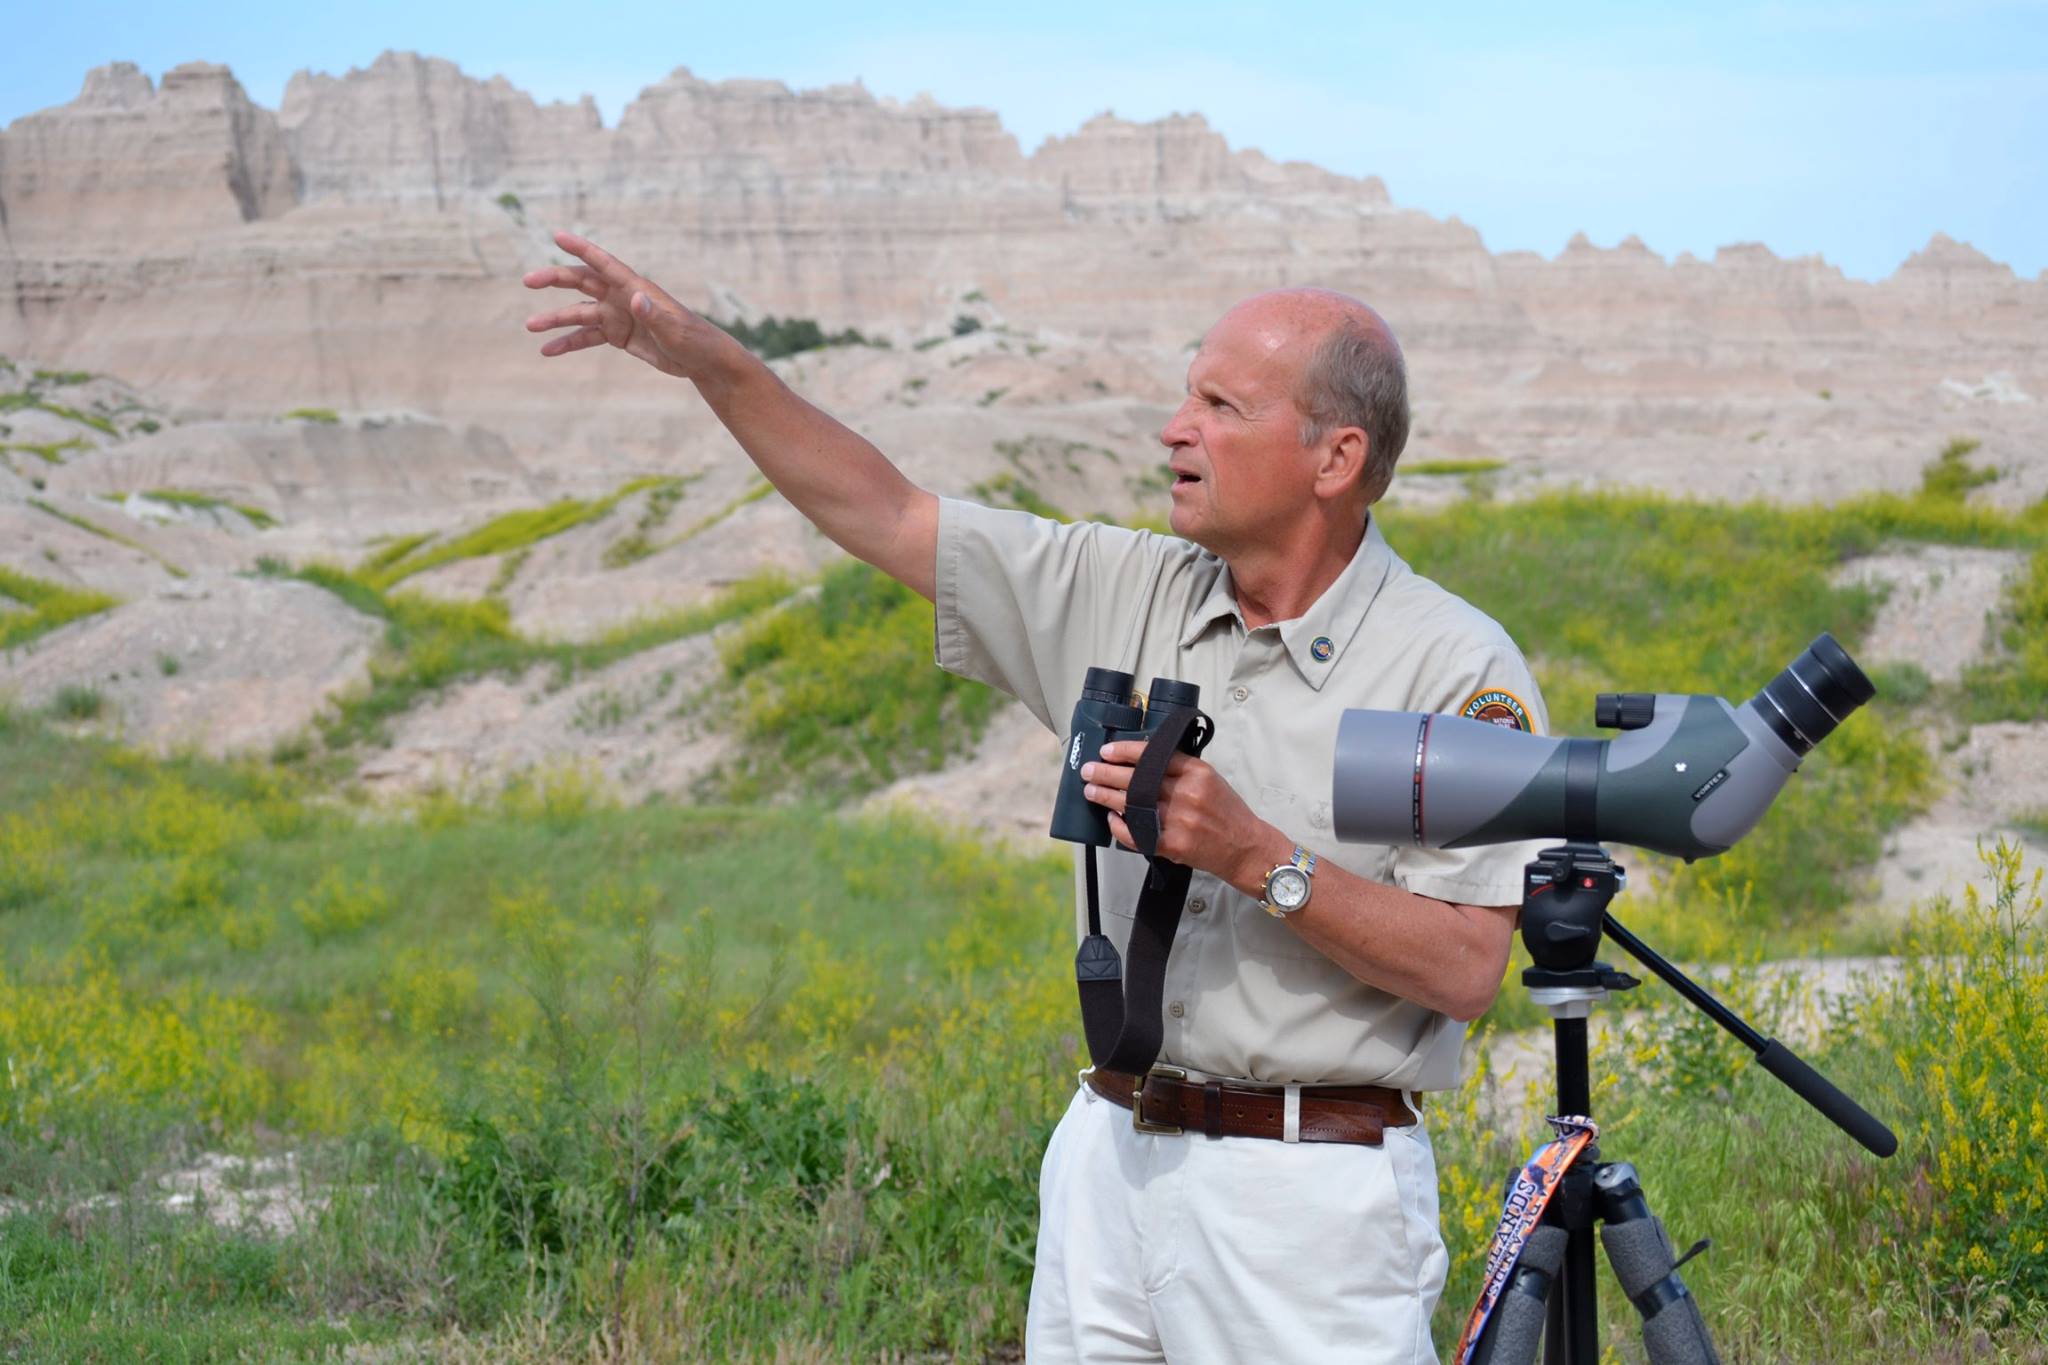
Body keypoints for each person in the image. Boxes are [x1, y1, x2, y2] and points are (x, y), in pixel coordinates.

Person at [524, 232, 1548, 1363]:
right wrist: (703, 358)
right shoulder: (1121, 586)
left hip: (1303, 1205)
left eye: (1218, 404)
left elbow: (1464, 969)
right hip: (1106, 1162)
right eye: (1182, 395)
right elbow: (884, 512)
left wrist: (1256, 856)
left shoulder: (1452, 669)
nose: (1174, 428)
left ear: (1333, 456)